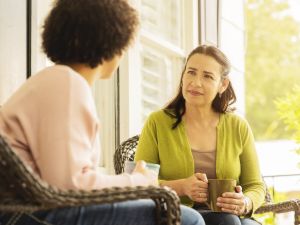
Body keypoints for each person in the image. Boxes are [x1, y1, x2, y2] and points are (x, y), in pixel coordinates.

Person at [0, 0, 205, 225]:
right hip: (30, 214)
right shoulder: (67, 84)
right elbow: (70, 185)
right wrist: (138, 181)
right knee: (190, 220)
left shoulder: (52, 81)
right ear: (111, 42)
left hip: (25, 208)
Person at [135, 45, 266, 225]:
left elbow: (255, 185)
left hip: (229, 216)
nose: (195, 82)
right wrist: (182, 187)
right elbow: (139, 183)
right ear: (183, 76)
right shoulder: (157, 122)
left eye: (207, 76)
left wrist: (244, 203)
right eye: (191, 72)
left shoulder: (238, 126)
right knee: (228, 222)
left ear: (223, 85)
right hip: (174, 215)